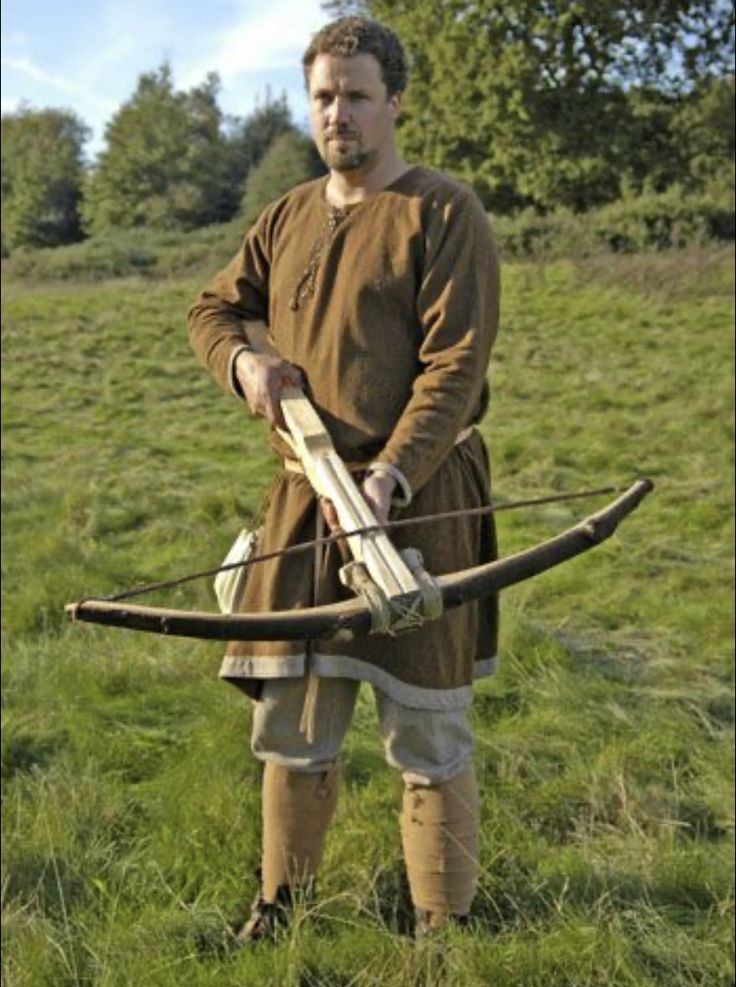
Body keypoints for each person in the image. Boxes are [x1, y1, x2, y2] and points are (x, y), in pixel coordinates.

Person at [188, 16, 500, 941]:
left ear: (393, 103)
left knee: (428, 734)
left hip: (419, 495)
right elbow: (214, 309)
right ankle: (279, 909)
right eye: (324, 96)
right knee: (293, 719)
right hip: (304, 496)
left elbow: (456, 369)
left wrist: (394, 474)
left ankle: (441, 932)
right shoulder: (285, 215)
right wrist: (247, 368)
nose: (339, 114)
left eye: (357, 96)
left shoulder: (444, 212)